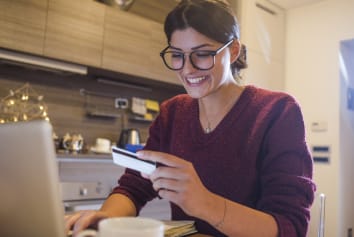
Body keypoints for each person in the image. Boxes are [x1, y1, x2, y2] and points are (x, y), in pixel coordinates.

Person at [65, 0, 316, 236]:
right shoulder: (172, 113)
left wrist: (204, 203)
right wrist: (105, 218)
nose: (187, 69)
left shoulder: (277, 112)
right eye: (177, 55)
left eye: (202, 54)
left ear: (234, 50)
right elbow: (134, 185)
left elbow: (289, 227)